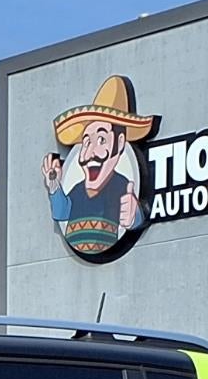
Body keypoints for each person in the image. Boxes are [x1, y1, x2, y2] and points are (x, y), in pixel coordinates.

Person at [43, 75, 155, 257]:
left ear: (120, 143)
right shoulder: (77, 190)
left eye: (101, 139)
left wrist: (136, 217)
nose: (89, 153)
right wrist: (55, 187)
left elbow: (131, 214)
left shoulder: (122, 187)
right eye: (86, 142)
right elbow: (62, 213)